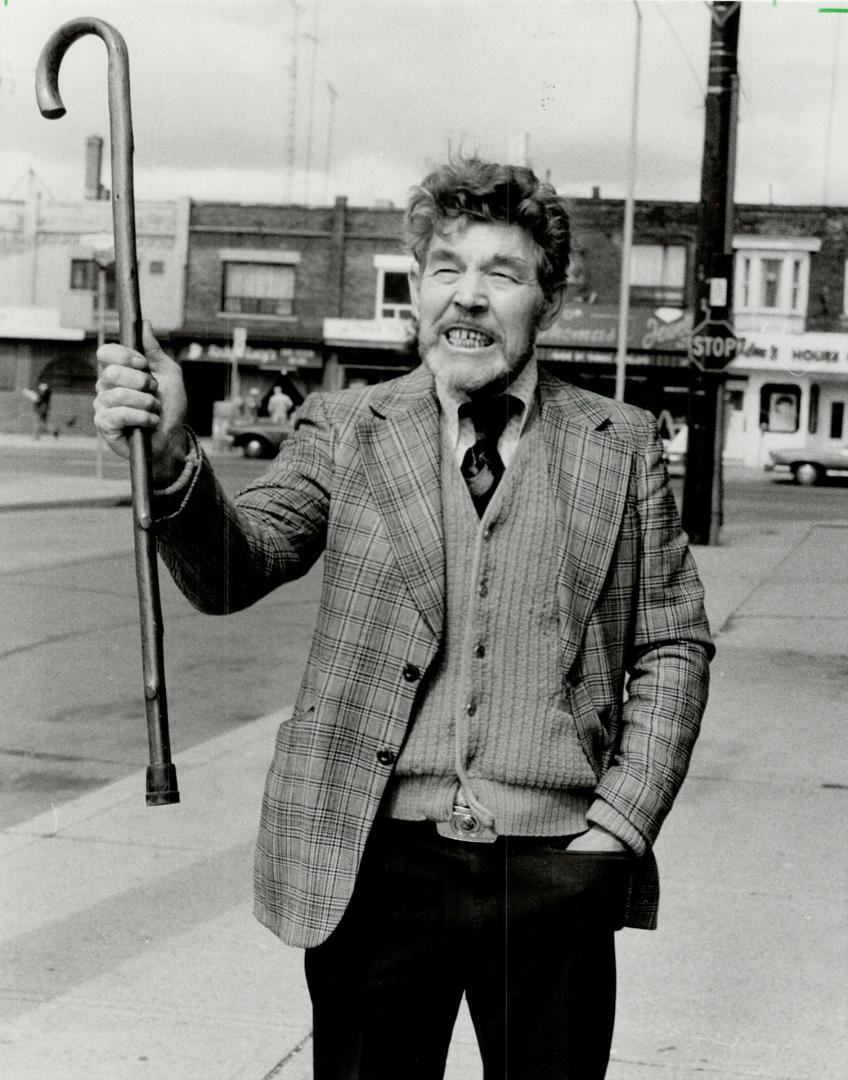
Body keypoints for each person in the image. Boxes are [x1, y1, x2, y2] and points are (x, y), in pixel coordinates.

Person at [93, 159, 713, 1080]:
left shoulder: (616, 445)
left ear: (549, 299)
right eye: (444, 269)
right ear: (416, 292)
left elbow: (672, 641)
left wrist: (618, 825)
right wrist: (176, 451)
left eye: (501, 273)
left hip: (555, 864)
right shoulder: (346, 426)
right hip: (375, 865)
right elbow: (235, 569)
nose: (468, 297)